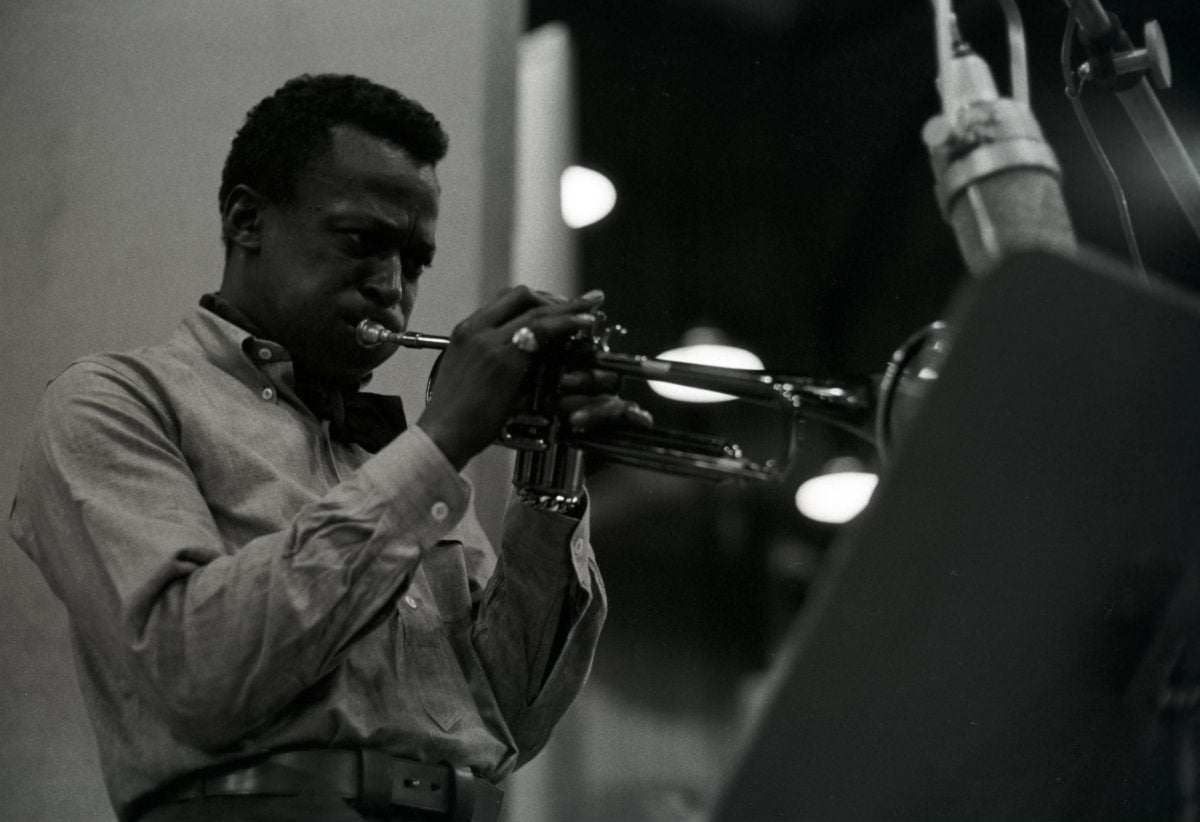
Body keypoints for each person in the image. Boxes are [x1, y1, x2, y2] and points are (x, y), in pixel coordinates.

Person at [9, 73, 652, 822]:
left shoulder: (390, 461)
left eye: (414, 261)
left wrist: (553, 478)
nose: (391, 286)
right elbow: (196, 671)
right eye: (360, 241)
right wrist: (442, 437)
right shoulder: (117, 401)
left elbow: (509, 721)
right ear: (247, 220)